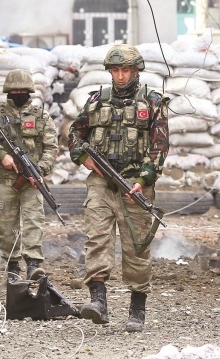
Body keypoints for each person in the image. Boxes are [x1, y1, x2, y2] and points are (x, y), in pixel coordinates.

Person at [67, 44, 169, 332]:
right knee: (97, 238)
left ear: (136, 71)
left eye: (126, 70)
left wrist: (144, 178)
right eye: (115, 70)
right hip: (101, 183)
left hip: (134, 185)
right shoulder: (97, 100)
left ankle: (137, 308)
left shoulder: (151, 102)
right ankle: (98, 301)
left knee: (136, 247)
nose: (121, 76)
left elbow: (160, 145)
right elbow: (75, 133)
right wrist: (85, 158)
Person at [0, 69, 58, 281]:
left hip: (32, 179)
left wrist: (40, 170)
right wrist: (1, 155)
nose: (19, 93)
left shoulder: (41, 116)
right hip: (4, 180)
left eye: (23, 90)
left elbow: (51, 147)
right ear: (8, 92)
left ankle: (33, 263)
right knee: (7, 225)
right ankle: (12, 265)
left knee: (34, 220)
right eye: (15, 90)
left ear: (30, 92)